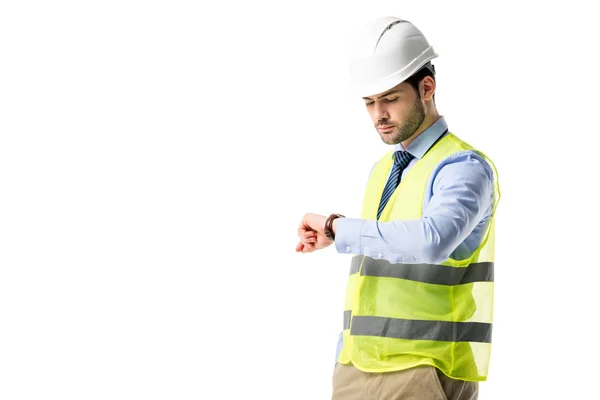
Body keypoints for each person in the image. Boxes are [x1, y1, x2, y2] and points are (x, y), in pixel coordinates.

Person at [295, 17, 501, 400]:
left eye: (390, 99)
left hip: (422, 370)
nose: (378, 115)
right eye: (369, 103)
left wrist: (339, 227)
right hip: (358, 369)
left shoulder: (462, 166)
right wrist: (345, 359)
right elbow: (387, 251)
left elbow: (432, 240)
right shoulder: (385, 169)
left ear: (426, 88)